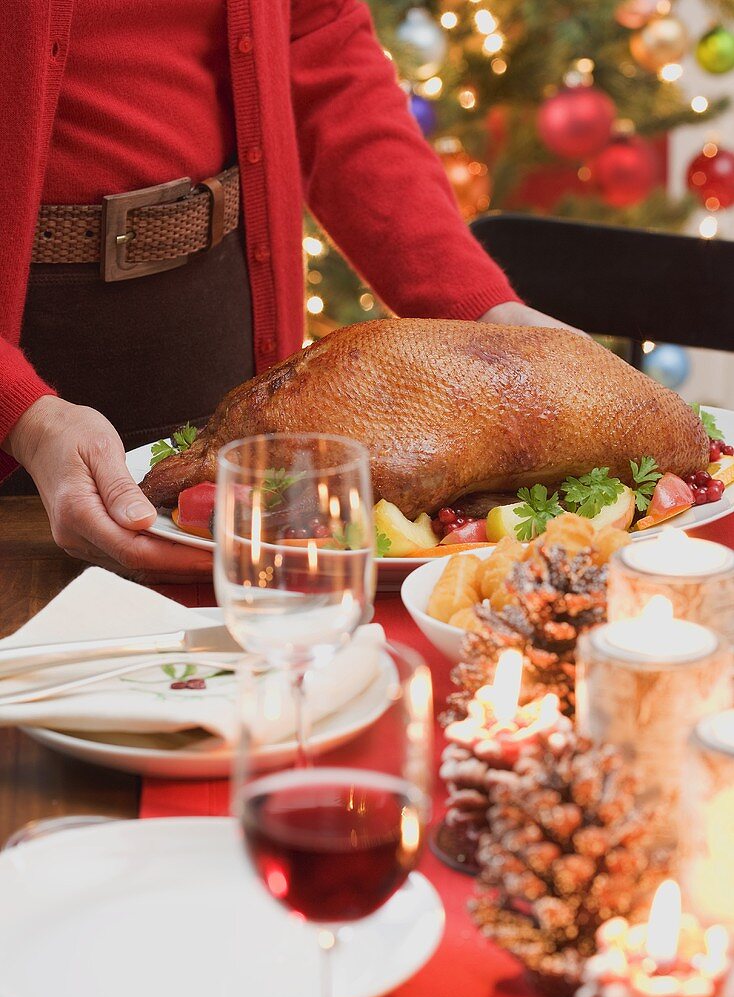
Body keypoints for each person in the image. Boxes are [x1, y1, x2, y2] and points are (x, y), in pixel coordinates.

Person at [0, 0, 572, 581]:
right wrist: (17, 411)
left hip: (218, 316)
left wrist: (481, 307)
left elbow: (324, 49)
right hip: (24, 350)